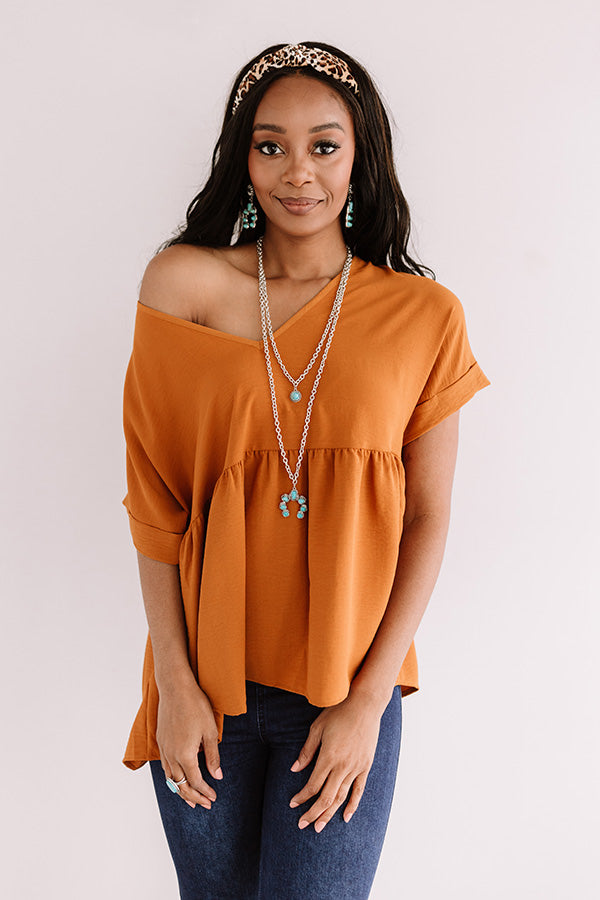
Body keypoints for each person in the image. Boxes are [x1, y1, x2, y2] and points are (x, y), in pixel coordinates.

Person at [120, 41, 490, 900]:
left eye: (324, 145)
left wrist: (369, 703)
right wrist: (175, 683)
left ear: (361, 157)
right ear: (242, 157)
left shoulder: (424, 315)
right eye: (270, 145)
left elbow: (429, 516)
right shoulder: (182, 285)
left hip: (344, 691)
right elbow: (155, 500)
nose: (298, 172)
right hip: (204, 687)